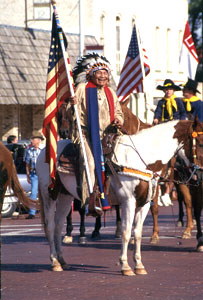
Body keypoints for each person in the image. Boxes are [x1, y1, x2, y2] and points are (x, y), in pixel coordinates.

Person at [66, 53, 124, 212]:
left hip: (110, 135)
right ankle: (90, 199)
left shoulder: (110, 92)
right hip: (87, 135)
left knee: (124, 161)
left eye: (105, 74)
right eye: (99, 73)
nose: (103, 76)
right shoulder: (82, 89)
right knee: (90, 163)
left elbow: (119, 112)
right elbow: (70, 113)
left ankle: (122, 195)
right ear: (91, 74)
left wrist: (119, 120)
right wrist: (72, 105)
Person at [153, 79, 186, 206]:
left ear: (173, 90)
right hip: (165, 128)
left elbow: (183, 113)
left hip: (176, 128)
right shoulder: (161, 102)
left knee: (181, 152)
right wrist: (156, 118)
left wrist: (181, 123)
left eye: (170, 89)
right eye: (166, 90)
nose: (168, 91)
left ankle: (187, 167)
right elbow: (157, 113)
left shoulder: (178, 101)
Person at [24, 135, 44, 219]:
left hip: (43, 173)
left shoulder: (43, 150)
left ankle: (44, 211)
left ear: (38, 140)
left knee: (44, 192)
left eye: (33, 139)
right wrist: (28, 175)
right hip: (34, 173)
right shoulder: (29, 150)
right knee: (33, 192)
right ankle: (32, 212)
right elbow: (27, 164)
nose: (31, 141)